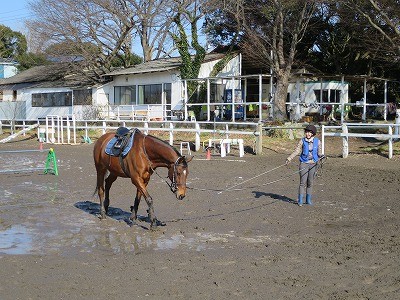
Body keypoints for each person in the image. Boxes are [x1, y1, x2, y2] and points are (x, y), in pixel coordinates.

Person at [286, 124, 324, 206]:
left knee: (310, 182)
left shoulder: (318, 142)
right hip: (304, 163)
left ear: (313, 133)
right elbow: (297, 151)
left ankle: (308, 199)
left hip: (313, 164)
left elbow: (319, 153)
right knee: (302, 182)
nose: (308, 134)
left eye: (310, 132)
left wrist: (322, 156)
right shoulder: (302, 141)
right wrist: (289, 158)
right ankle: (300, 200)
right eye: (306, 132)